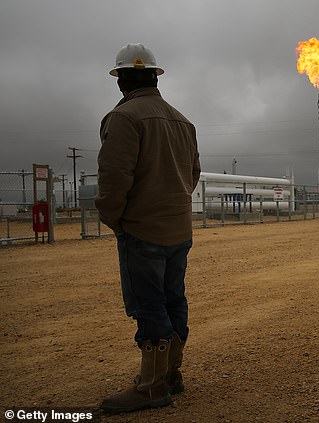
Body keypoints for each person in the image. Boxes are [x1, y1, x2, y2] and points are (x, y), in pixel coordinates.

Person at [96, 43, 201, 413]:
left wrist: (117, 219)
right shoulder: (182, 121)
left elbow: (113, 179)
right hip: (179, 229)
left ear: (121, 80)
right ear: (155, 77)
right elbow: (193, 175)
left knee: (150, 305)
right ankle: (171, 374)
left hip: (142, 231)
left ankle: (153, 387)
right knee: (175, 299)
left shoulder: (124, 118)